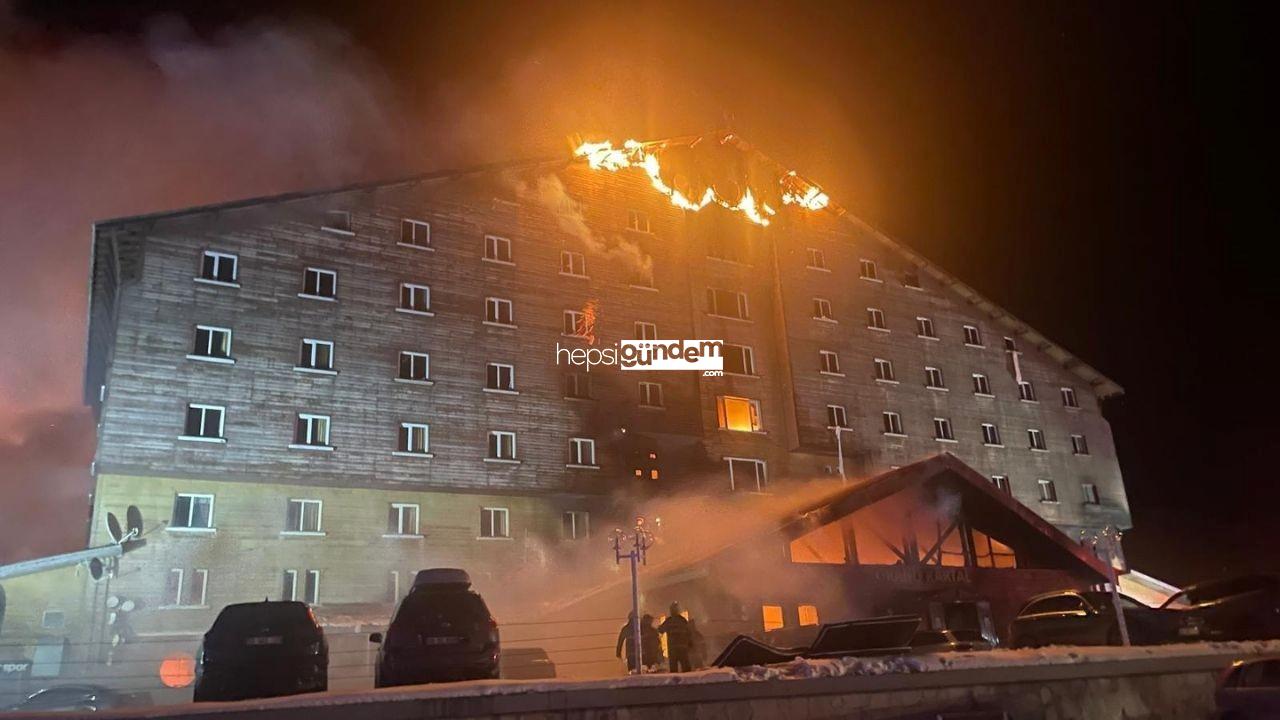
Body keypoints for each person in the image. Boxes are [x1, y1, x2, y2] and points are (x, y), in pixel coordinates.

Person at [658, 601, 693, 672]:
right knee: (686, 668)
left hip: (672, 649)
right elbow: (689, 633)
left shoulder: (669, 621)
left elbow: (660, 630)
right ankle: (687, 682)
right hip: (683, 648)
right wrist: (690, 644)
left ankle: (675, 682)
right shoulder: (683, 620)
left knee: (673, 669)